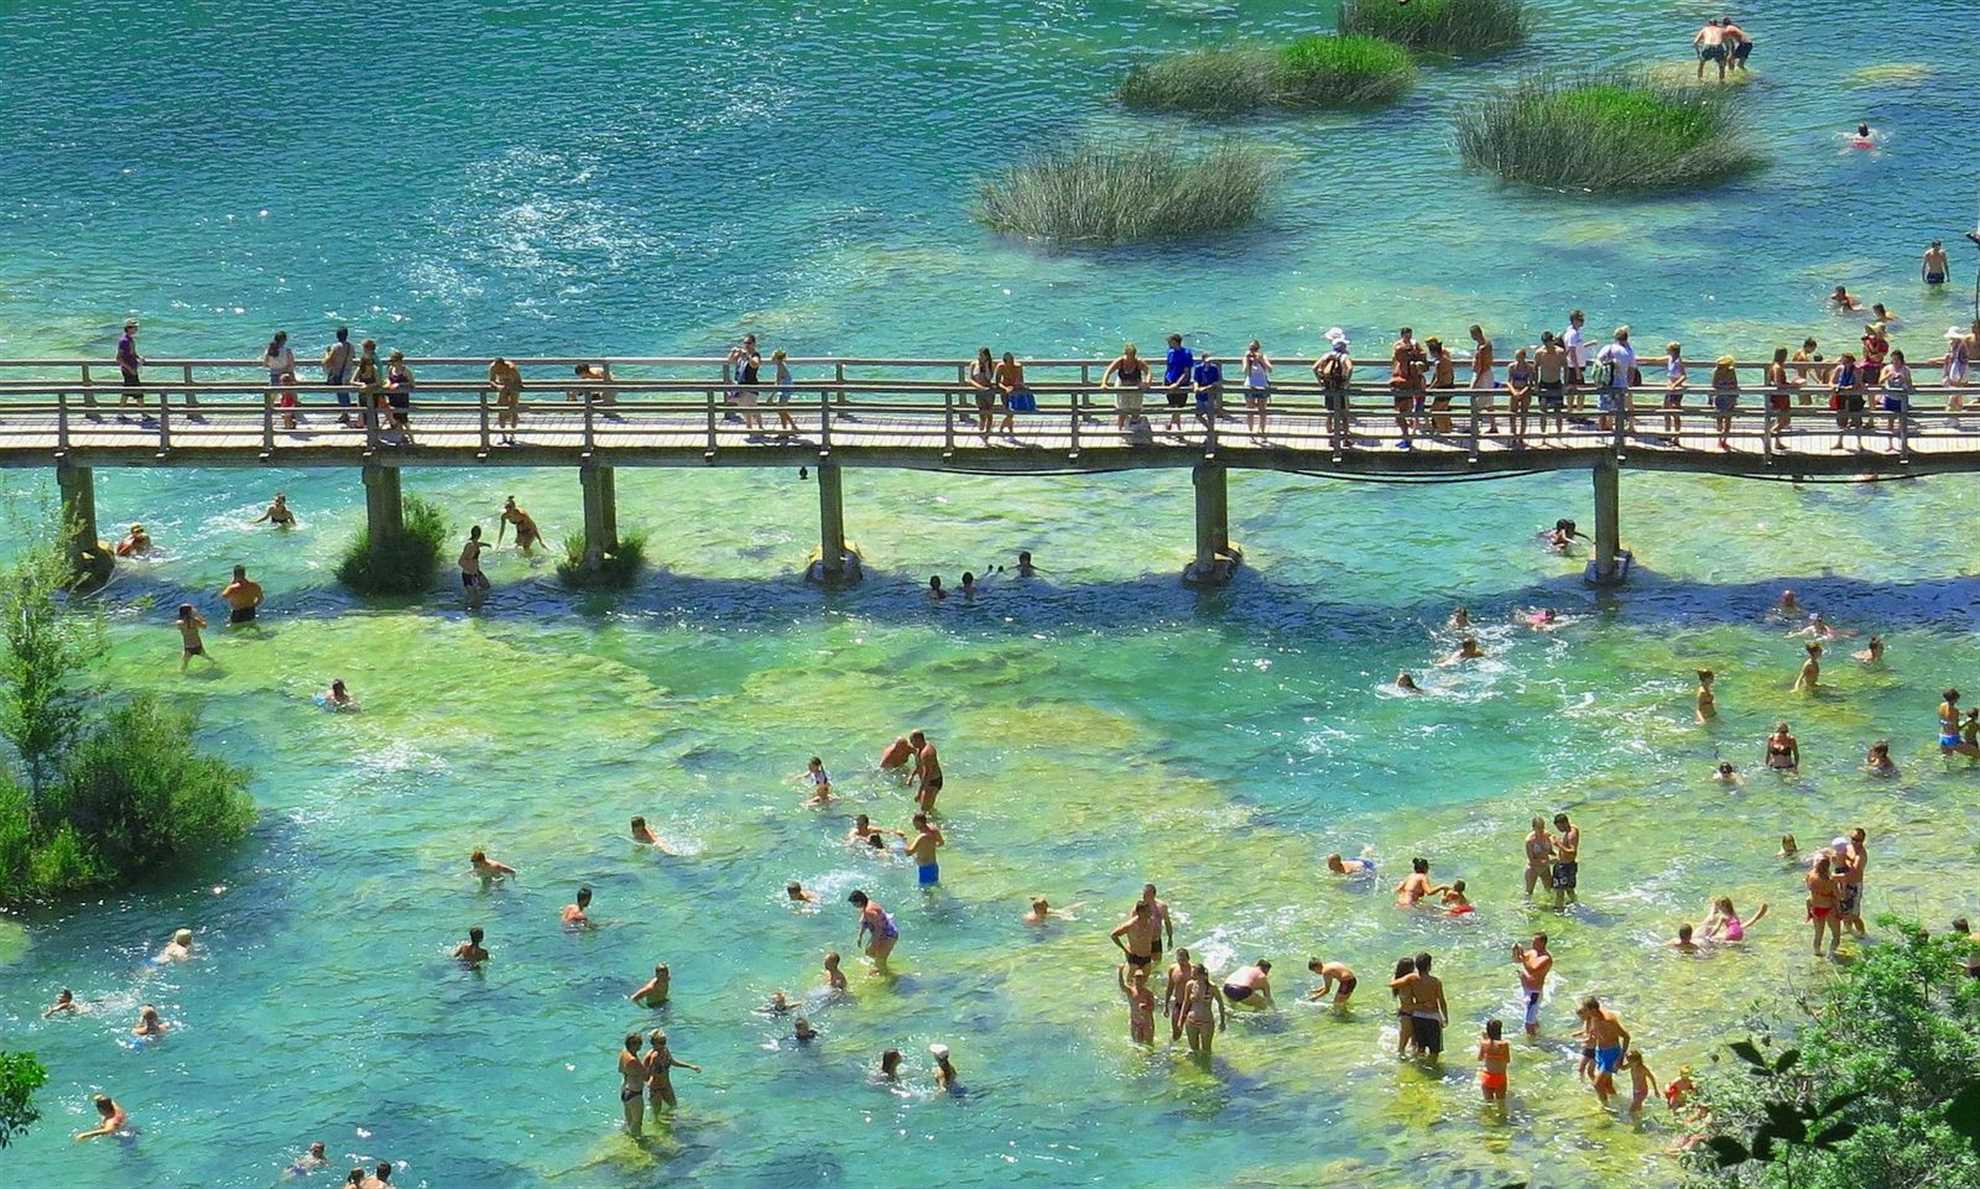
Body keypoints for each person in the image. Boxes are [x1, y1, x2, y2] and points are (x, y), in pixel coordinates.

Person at [1395, 952, 1448, 1059]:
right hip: (1432, 1018)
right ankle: (1433, 1070)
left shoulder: (1412, 981)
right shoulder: (1436, 981)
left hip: (1417, 1017)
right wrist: (1445, 1018)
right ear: (1429, 966)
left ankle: (1420, 1068)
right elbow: (1442, 1001)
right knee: (1434, 1051)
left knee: (1420, 1048)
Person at [1583, 997, 1631, 1107]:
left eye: (1585, 1010)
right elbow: (1594, 1032)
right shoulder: (1592, 1017)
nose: (1583, 1013)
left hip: (1612, 1053)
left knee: (1597, 1084)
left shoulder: (1608, 1021)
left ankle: (1606, 1108)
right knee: (1607, 1085)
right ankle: (1619, 1103)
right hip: (1600, 1051)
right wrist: (1590, 1038)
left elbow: (1626, 1037)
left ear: (1593, 1010)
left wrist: (1621, 1057)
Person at [1178, 964, 1226, 1059]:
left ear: (1200, 974)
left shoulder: (1212, 987)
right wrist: (1181, 1019)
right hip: (1191, 1021)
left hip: (1206, 1022)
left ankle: (1206, 1070)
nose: (1191, 974)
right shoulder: (1190, 985)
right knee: (1194, 1050)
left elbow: (1221, 1004)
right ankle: (1196, 1071)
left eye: (1193, 972)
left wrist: (1222, 1022)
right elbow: (1186, 1002)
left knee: (1206, 1051)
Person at [645, 1029, 701, 1110]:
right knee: (656, 1113)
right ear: (653, 1043)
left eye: (664, 1042)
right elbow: (645, 1072)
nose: (663, 1044)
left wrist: (690, 1066)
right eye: (661, 1042)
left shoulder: (665, 1050)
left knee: (674, 1107)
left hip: (667, 1086)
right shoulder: (653, 1057)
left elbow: (672, 1062)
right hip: (656, 1089)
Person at [1314, 331, 1353, 446]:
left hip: (1328, 387)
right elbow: (1350, 368)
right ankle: (1346, 439)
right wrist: (1346, 382)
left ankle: (1331, 439)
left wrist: (1320, 382)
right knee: (1344, 414)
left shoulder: (1326, 356)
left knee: (1330, 413)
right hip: (1340, 388)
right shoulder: (1344, 357)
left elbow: (1314, 368)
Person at [1389, 327, 1426, 446]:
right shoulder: (1400, 355)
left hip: (1407, 388)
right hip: (1401, 387)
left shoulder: (1411, 364)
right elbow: (1395, 358)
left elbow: (1421, 366)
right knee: (1401, 415)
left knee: (1400, 415)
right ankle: (1406, 437)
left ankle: (1407, 439)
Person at [1102, 342, 1148, 437]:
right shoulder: (1120, 361)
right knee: (1122, 409)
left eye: (1133, 355)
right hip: (1122, 385)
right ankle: (1120, 430)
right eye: (1129, 355)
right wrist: (1104, 383)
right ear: (1125, 354)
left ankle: (1133, 430)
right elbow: (1108, 371)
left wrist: (1147, 383)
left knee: (1136, 409)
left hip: (1135, 386)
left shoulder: (1138, 362)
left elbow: (1148, 372)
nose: (1131, 357)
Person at [1594, 326, 1634, 433]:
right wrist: (1629, 384)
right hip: (1621, 384)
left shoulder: (1608, 348)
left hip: (1607, 383)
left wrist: (1605, 367)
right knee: (1618, 411)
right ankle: (1618, 435)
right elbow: (1632, 370)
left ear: (1615, 338)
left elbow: (1598, 360)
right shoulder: (1629, 352)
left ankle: (1602, 432)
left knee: (1603, 409)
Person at [848, 890, 898, 972]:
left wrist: (874, 944)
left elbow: (879, 929)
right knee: (870, 953)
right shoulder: (866, 905)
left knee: (879, 959)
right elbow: (864, 922)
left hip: (889, 935)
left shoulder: (869, 911)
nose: (854, 906)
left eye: (854, 904)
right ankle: (883, 969)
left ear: (859, 901)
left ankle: (886, 977)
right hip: (884, 933)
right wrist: (860, 936)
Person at [1514, 934, 1552, 1036]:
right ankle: (1539, 1034)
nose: (1532, 943)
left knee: (1528, 1024)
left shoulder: (1546, 958)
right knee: (1531, 1018)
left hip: (1534, 993)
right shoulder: (1532, 953)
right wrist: (1516, 951)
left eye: (1535, 941)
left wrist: (1522, 958)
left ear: (1542, 943)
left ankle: (1533, 1044)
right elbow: (1517, 960)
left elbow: (1532, 969)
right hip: (1526, 989)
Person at [1806, 852, 1841, 957]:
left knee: (1818, 934)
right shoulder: (1830, 880)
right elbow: (1838, 896)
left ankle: (1817, 952)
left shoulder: (1810, 875)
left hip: (1816, 908)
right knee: (1836, 935)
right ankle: (1831, 954)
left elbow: (1809, 889)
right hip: (1829, 908)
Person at [1467, 324, 1499, 434]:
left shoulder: (1482, 347)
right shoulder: (1487, 343)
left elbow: (1481, 366)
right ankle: (1493, 426)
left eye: (1472, 334)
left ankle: (1474, 428)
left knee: (1475, 402)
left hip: (1482, 376)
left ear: (1476, 333)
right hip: (1488, 375)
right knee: (1489, 403)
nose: (1472, 337)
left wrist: (1475, 382)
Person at [1534, 331, 1568, 436]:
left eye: (1551, 342)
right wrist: (1536, 384)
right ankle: (1543, 434)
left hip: (1556, 383)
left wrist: (1565, 385)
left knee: (1558, 410)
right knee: (1543, 410)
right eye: (1547, 343)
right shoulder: (1539, 353)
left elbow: (1566, 368)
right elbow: (1535, 368)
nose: (1549, 345)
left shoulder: (1560, 352)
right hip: (1544, 383)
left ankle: (1559, 433)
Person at [1110, 899, 1159, 970]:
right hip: (1134, 957)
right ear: (1140, 912)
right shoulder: (1131, 925)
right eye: (1148, 911)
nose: (1150, 912)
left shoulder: (1151, 922)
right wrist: (1125, 950)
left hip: (1147, 957)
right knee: (1130, 979)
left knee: (1145, 979)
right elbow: (1113, 935)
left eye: (1150, 910)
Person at [1161, 333, 1194, 436]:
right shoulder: (1170, 352)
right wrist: (1164, 381)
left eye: (1170, 342)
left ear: (1175, 342)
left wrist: (1177, 384)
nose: (1168, 344)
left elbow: (1186, 372)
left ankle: (1174, 427)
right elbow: (1168, 367)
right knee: (1173, 406)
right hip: (1169, 381)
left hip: (1181, 384)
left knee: (1178, 406)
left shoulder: (1186, 353)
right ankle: (1174, 427)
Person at [1839, 827, 1869, 937]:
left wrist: (1845, 859)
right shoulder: (1848, 847)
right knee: (1845, 911)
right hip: (1845, 884)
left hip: (1855, 885)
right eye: (1853, 839)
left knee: (1855, 914)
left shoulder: (1861, 854)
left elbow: (1855, 870)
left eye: (1858, 840)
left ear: (1863, 841)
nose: (1855, 842)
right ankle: (1848, 930)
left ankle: (1862, 934)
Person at [323, 327, 355, 426]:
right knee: (345, 394)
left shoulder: (336, 347)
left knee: (341, 395)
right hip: (348, 373)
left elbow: (328, 361)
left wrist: (326, 353)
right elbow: (352, 358)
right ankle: (346, 413)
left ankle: (344, 414)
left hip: (339, 374)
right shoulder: (351, 346)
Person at [488, 357, 524, 446]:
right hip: (502, 387)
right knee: (501, 411)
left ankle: (512, 435)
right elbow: (491, 380)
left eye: (500, 368)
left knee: (513, 410)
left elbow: (519, 382)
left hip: (513, 387)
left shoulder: (511, 368)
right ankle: (503, 435)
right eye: (497, 368)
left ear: (504, 365)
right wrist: (497, 386)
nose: (498, 370)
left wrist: (510, 387)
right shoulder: (493, 367)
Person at [1163, 947, 1199, 1038]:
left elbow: (1201, 987)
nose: (1181, 962)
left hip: (1192, 1006)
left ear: (1188, 958)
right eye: (1179, 959)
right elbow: (1170, 988)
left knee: (1193, 1034)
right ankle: (1175, 1050)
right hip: (1178, 1004)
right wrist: (1166, 1005)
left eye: (1183, 959)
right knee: (1176, 1032)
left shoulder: (1194, 970)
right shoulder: (1173, 969)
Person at [616, 1033, 647, 1136]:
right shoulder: (633, 1060)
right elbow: (646, 1076)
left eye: (640, 1043)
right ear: (632, 1044)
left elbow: (621, 1070)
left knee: (629, 1119)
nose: (640, 1046)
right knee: (637, 1122)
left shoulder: (623, 1053)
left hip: (624, 1089)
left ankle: (629, 1136)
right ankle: (638, 1141)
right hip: (635, 1093)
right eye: (638, 1043)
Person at [1118, 963, 1156, 1044]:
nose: (1139, 980)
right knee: (1137, 1044)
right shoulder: (1130, 991)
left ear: (1144, 979)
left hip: (1147, 1021)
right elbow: (1122, 986)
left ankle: (1150, 1056)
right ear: (1134, 979)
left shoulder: (1148, 993)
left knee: (1149, 1044)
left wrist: (1146, 1007)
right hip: (1135, 1020)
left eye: (1141, 978)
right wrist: (1120, 972)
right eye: (1137, 978)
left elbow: (1153, 1007)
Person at [993, 351, 1030, 437]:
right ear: (1005, 361)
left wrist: (1021, 386)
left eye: (1012, 360)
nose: (1012, 363)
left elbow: (1021, 380)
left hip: (1015, 390)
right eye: (1010, 361)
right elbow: (997, 382)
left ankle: (1005, 430)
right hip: (1004, 390)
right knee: (1009, 412)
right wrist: (1006, 388)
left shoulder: (1018, 366)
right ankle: (1006, 430)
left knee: (1011, 412)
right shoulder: (1000, 366)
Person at [1242, 339, 1273, 437]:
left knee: (1262, 411)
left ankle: (1262, 431)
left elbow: (1270, 369)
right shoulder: (1246, 358)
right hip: (1250, 385)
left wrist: (1261, 360)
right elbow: (1244, 371)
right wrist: (1248, 361)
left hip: (1262, 385)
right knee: (1250, 410)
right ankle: (1251, 432)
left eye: (1255, 349)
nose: (1253, 351)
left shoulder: (1263, 357)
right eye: (1251, 349)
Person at [907, 729, 943, 813]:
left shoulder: (927, 753)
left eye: (912, 741)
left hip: (933, 782)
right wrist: (911, 776)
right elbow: (919, 765)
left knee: (924, 810)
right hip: (927, 782)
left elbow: (927, 774)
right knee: (926, 808)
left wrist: (919, 792)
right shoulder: (920, 749)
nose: (911, 743)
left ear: (918, 739)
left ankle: (937, 824)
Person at [115, 318, 144, 420]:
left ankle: (120, 413)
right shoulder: (124, 341)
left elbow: (133, 353)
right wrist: (129, 369)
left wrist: (139, 358)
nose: (136, 329)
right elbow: (119, 358)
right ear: (128, 328)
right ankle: (143, 414)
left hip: (132, 369)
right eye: (134, 327)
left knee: (127, 392)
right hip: (129, 371)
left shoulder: (130, 339)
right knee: (138, 393)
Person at [1702, 897, 1768, 942]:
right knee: (1745, 924)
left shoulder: (1722, 916)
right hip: (1740, 934)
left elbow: (1717, 928)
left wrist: (1709, 936)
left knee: (1715, 938)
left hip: (1731, 935)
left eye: (1719, 907)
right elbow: (1738, 925)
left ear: (1721, 907)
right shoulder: (1733, 913)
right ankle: (1757, 916)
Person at [904, 813, 944, 887]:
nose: (913, 825)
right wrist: (929, 847)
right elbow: (941, 843)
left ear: (919, 822)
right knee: (936, 886)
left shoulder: (921, 837)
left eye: (914, 822)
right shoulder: (934, 830)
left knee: (926, 893)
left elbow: (908, 853)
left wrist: (903, 842)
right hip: (934, 866)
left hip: (925, 868)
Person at [1709, 355, 1739, 450]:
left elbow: (1735, 384)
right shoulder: (1716, 372)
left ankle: (1724, 440)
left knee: (1728, 420)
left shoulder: (1731, 371)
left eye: (1721, 366)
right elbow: (1714, 385)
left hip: (1730, 398)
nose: (1719, 367)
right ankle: (1719, 440)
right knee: (1719, 420)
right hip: (1719, 398)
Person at [384, 349, 415, 440]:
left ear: (399, 361)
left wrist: (400, 384)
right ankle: (402, 437)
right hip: (393, 397)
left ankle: (412, 438)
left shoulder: (406, 371)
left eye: (393, 361)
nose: (392, 363)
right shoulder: (391, 369)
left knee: (404, 419)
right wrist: (388, 383)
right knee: (396, 418)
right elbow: (389, 379)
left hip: (402, 398)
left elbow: (412, 384)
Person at [1506, 346, 1534, 443]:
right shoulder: (1512, 367)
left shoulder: (1529, 368)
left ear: (1524, 357)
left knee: (1523, 415)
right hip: (1514, 391)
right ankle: (1513, 435)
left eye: (1519, 356)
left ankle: (1521, 437)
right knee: (1512, 415)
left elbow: (1530, 383)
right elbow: (1508, 382)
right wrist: (1514, 392)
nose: (1517, 359)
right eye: (1516, 357)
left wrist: (1522, 392)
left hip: (1525, 392)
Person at [1659, 341, 1687, 438]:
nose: (1667, 351)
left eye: (1668, 349)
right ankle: (1667, 433)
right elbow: (1655, 359)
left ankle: (1676, 436)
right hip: (1669, 389)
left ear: (1673, 351)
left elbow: (1684, 376)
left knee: (1675, 413)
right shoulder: (1669, 358)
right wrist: (1637, 359)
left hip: (1676, 390)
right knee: (1665, 410)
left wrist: (1675, 385)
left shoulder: (1679, 361)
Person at [1478, 1019, 1511, 1103]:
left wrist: (1485, 1039)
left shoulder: (1483, 1043)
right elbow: (1507, 1060)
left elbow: (1480, 1058)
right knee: (1501, 1103)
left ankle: (1488, 1116)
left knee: (1488, 1103)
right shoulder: (1504, 1044)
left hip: (1487, 1077)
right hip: (1500, 1077)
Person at [967, 346, 996, 440]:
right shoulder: (973, 364)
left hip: (989, 391)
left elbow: (989, 378)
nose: (981, 357)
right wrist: (979, 387)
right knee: (981, 413)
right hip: (978, 391)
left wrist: (987, 366)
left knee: (989, 412)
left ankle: (987, 433)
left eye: (983, 356)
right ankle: (981, 430)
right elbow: (970, 379)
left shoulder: (991, 364)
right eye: (980, 355)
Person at [1552, 813, 1580, 908]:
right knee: (1569, 888)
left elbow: (1572, 852)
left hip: (1565, 867)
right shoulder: (1572, 828)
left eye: (1559, 827)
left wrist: (1558, 844)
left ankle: (1559, 910)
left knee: (1560, 890)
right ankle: (1575, 904)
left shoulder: (1571, 835)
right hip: (1564, 865)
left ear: (1565, 823)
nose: (1559, 830)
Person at [1625, 1049, 1662, 1119]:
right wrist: (1618, 1059)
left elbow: (1652, 1078)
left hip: (1642, 1091)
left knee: (1631, 1110)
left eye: (1631, 1061)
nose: (1629, 1062)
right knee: (1638, 1107)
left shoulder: (1642, 1068)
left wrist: (1656, 1090)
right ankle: (1641, 1118)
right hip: (1635, 1090)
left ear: (1638, 1060)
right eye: (1628, 1060)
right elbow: (1623, 1068)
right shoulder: (1631, 1065)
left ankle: (1635, 1124)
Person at [459, 526, 491, 604]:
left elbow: (478, 544)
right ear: (480, 534)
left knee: (486, 586)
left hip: (476, 572)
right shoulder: (470, 546)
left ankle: (476, 593)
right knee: (475, 600)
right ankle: (467, 608)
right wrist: (471, 570)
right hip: (469, 575)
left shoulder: (475, 543)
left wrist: (486, 545)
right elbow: (460, 561)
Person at [1523, 816, 1554, 896]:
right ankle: (1526, 907)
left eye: (1542, 827)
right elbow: (1532, 860)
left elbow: (1550, 851)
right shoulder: (1529, 841)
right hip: (1533, 868)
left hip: (1545, 867)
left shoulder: (1547, 836)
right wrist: (1548, 862)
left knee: (1549, 890)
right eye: (1539, 828)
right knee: (1529, 892)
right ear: (1533, 828)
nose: (1541, 830)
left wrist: (1559, 856)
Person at [177, 603, 212, 671]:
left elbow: (180, 627)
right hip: (198, 646)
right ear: (190, 612)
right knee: (208, 658)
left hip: (188, 647)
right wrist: (198, 615)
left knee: (184, 666)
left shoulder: (179, 623)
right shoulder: (195, 621)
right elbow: (205, 626)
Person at [1693, 16, 1729, 81]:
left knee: (1701, 64)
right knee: (1721, 66)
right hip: (1718, 46)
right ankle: (1721, 82)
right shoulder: (1722, 30)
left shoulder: (1705, 29)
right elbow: (1727, 46)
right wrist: (1726, 56)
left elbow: (1695, 42)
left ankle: (1699, 80)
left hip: (1707, 46)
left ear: (1709, 24)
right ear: (1717, 24)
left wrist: (1698, 54)